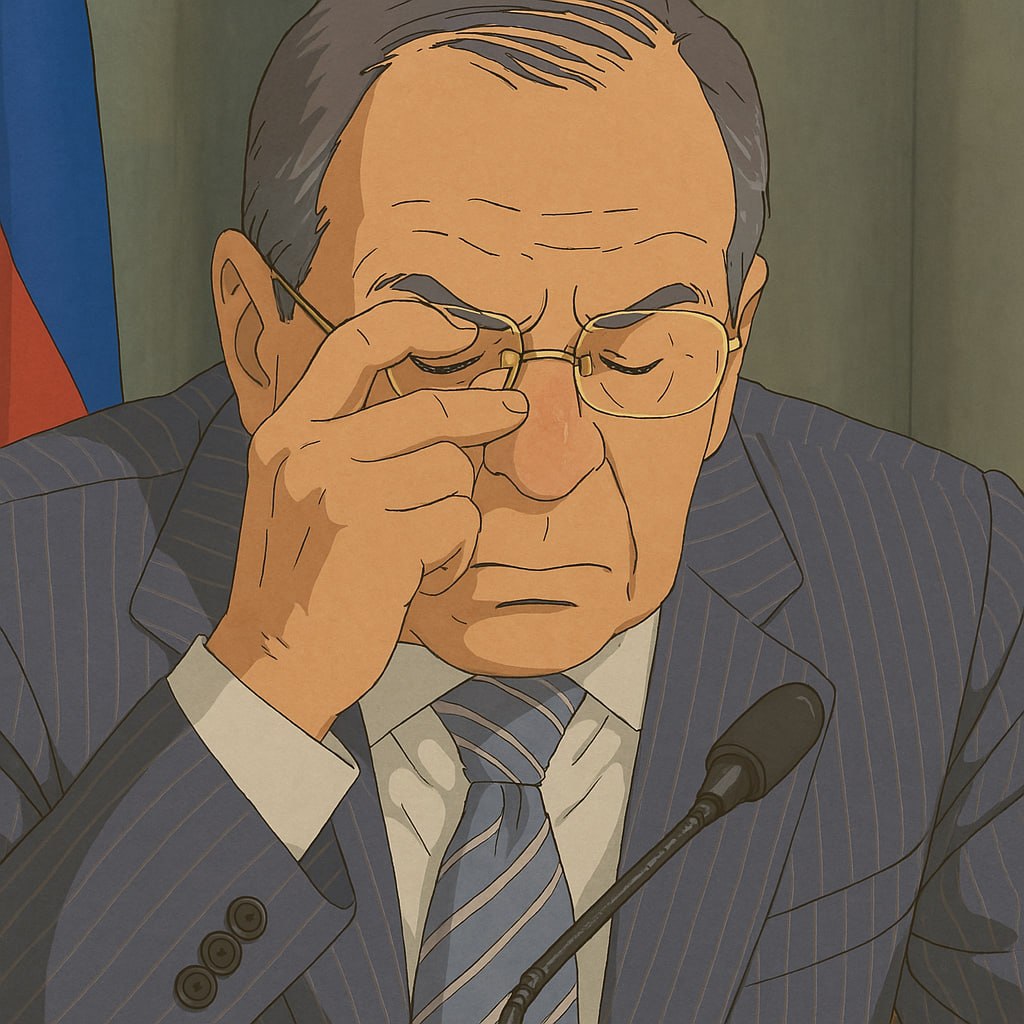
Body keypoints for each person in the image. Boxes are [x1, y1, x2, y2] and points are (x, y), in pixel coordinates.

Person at [0, 1, 1021, 1021]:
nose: (544, 462)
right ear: (260, 336)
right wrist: (267, 687)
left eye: (635, 357)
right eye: (444, 354)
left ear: (733, 346)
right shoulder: (25, 586)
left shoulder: (951, 577)